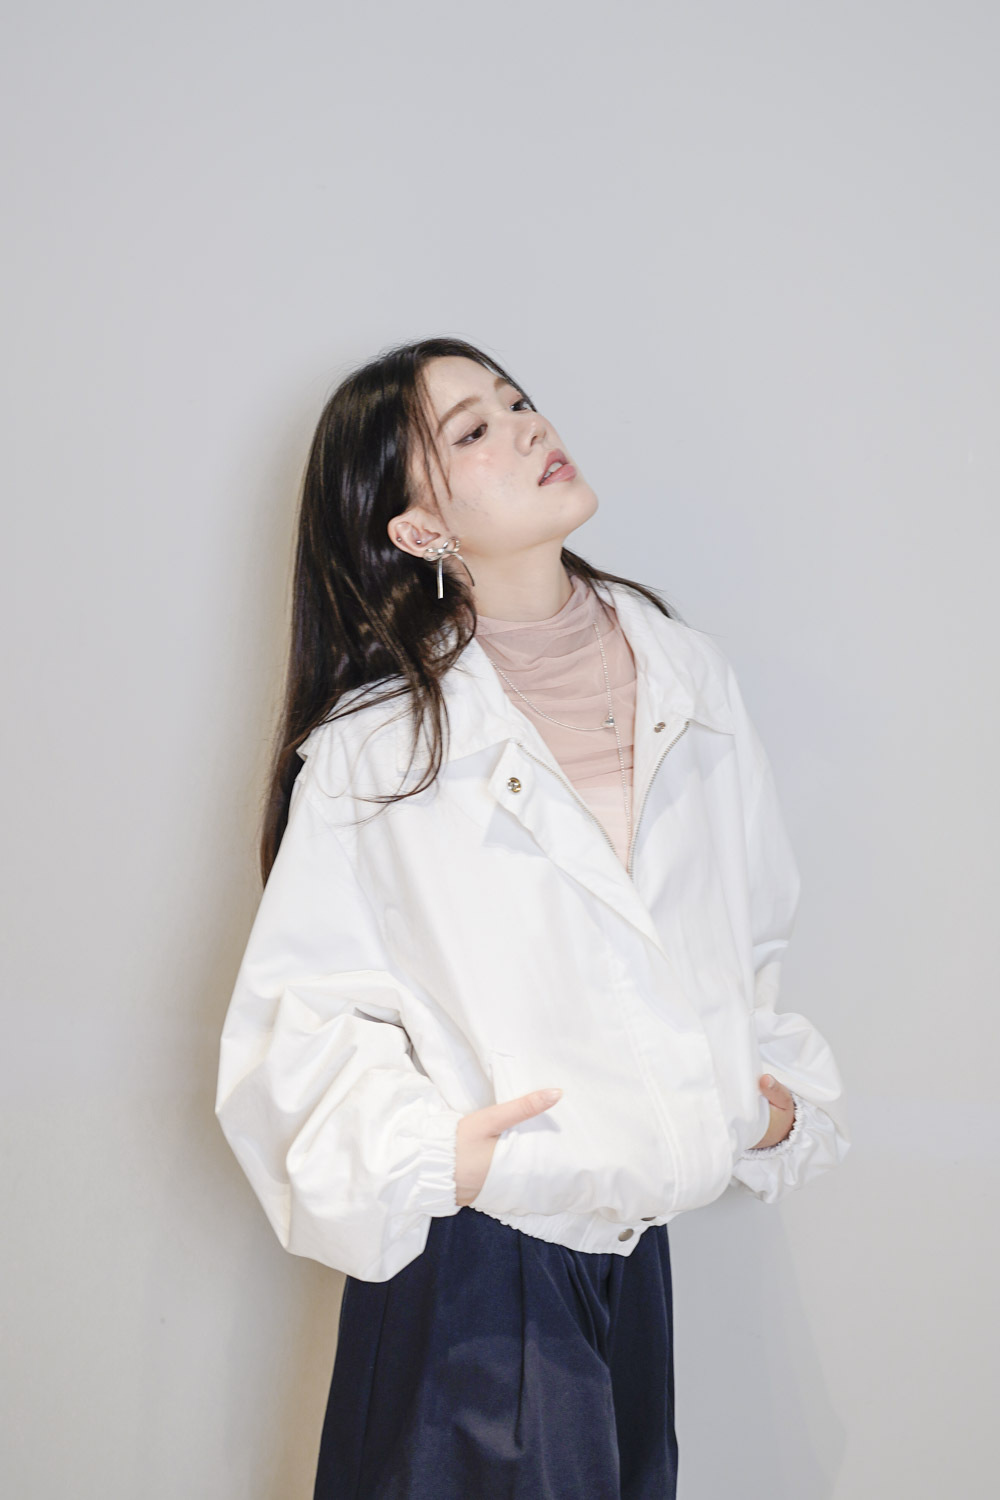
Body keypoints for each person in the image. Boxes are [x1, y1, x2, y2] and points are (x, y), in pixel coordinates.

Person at [214, 336, 851, 1500]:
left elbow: (745, 935)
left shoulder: (689, 681)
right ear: (420, 529)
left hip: (632, 1259)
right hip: (477, 1272)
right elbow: (297, 1029)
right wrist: (447, 1160)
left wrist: (759, 1104)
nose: (525, 427)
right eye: (472, 430)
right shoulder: (377, 751)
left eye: (516, 402)